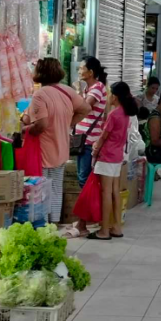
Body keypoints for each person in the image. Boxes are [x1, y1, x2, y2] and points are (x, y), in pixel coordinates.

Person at [20, 58, 89, 223]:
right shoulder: (66, 90)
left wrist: (25, 130)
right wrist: (68, 123)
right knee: (56, 187)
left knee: (40, 188)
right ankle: (55, 222)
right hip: (61, 147)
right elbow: (86, 108)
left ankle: (42, 222)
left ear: (40, 73)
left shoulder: (40, 94)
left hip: (43, 150)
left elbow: (41, 125)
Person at [62, 56, 108, 238]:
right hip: (85, 141)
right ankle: (86, 220)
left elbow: (84, 107)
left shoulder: (97, 88)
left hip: (89, 142)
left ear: (90, 72)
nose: (79, 70)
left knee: (85, 182)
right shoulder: (91, 88)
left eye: (82, 68)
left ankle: (83, 223)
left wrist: (76, 93)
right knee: (85, 181)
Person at [89, 82, 140, 239]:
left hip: (107, 157)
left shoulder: (114, 114)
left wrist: (95, 150)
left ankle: (104, 230)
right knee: (115, 192)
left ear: (115, 97)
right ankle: (116, 227)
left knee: (106, 193)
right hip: (117, 156)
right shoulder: (125, 113)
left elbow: (104, 136)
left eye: (110, 94)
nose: (108, 96)